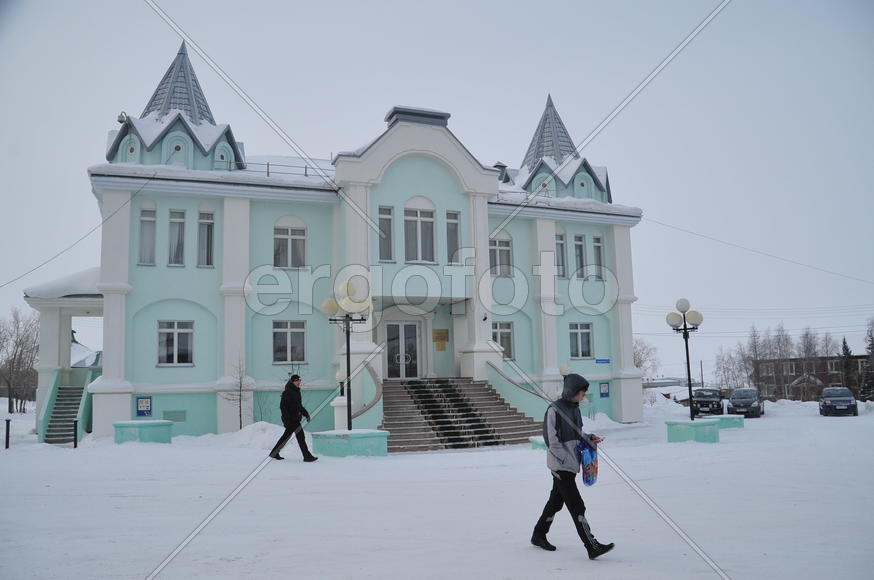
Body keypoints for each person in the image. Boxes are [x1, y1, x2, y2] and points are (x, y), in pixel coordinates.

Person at [531, 373, 613, 560]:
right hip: (561, 466)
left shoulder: (575, 409)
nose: (583, 395)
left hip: (571, 464)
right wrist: (564, 459)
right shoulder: (554, 410)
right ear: (572, 391)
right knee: (577, 506)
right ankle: (592, 545)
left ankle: (538, 534)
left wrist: (589, 437)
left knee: (556, 502)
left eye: (584, 392)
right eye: (582, 392)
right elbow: (551, 440)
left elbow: (577, 434)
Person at [269, 375, 318, 462]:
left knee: (287, 437)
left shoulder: (296, 392)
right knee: (300, 437)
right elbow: (283, 407)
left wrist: (306, 414)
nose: (298, 382)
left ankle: (274, 453)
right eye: (296, 381)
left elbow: (299, 406)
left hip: (295, 419)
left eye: (299, 381)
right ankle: (307, 456)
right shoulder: (287, 392)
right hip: (291, 420)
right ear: (292, 382)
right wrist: (286, 419)